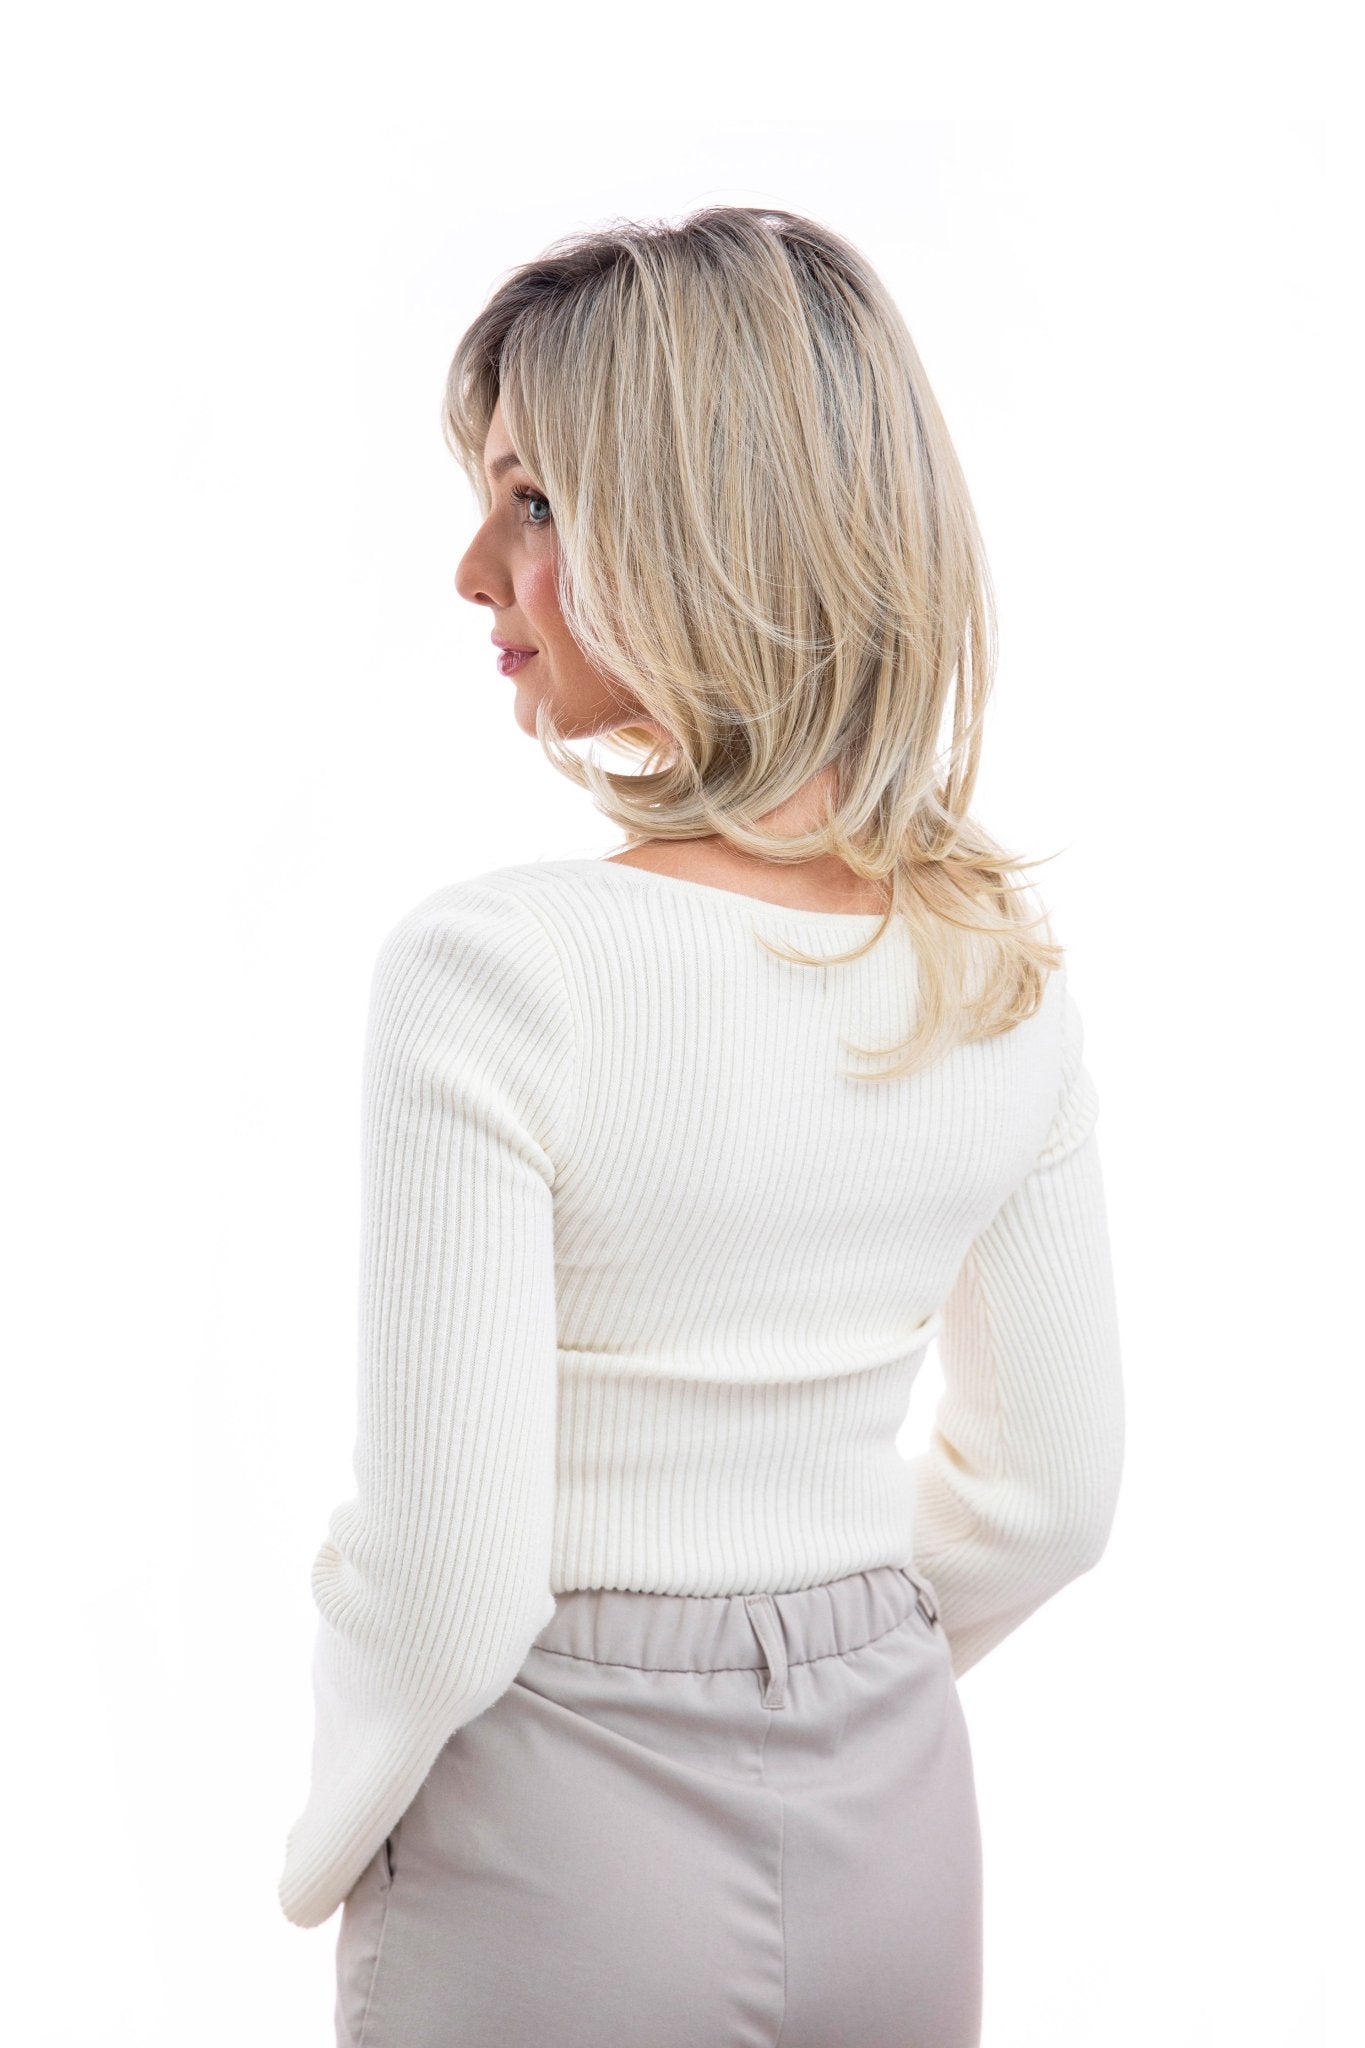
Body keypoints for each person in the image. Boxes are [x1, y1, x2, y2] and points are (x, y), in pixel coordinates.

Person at [277, 204, 1125, 2048]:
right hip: (899, 1815)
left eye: (532, 505)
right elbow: (1052, 1503)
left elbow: (450, 1590)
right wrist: (828, 1655)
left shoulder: (497, 969)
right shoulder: (994, 974)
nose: (472, 572)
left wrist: (331, 1833)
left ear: (704, 532)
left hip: (555, 1822)